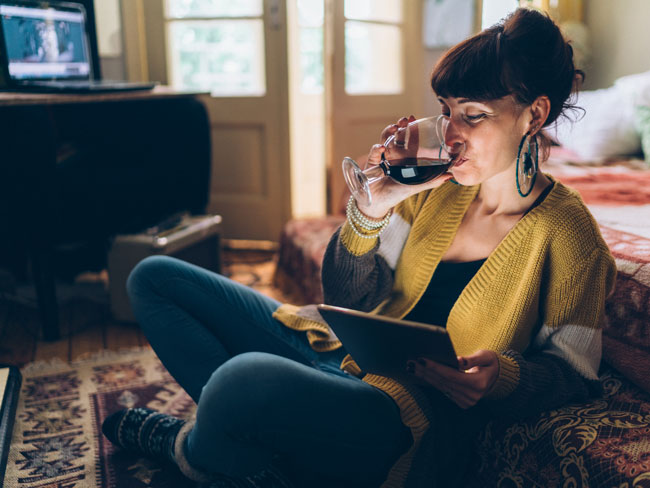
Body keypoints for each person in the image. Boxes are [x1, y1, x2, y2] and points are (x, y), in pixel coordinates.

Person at [101, 7, 616, 488]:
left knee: (241, 380)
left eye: (474, 115)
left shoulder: (569, 236)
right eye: (446, 111)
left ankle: (189, 448)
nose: (451, 134)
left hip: (397, 416)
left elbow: (573, 374)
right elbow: (346, 300)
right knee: (154, 278)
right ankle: (250, 462)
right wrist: (372, 210)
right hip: (339, 359)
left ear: (534, 115)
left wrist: (503, 377)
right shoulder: (435, 194)